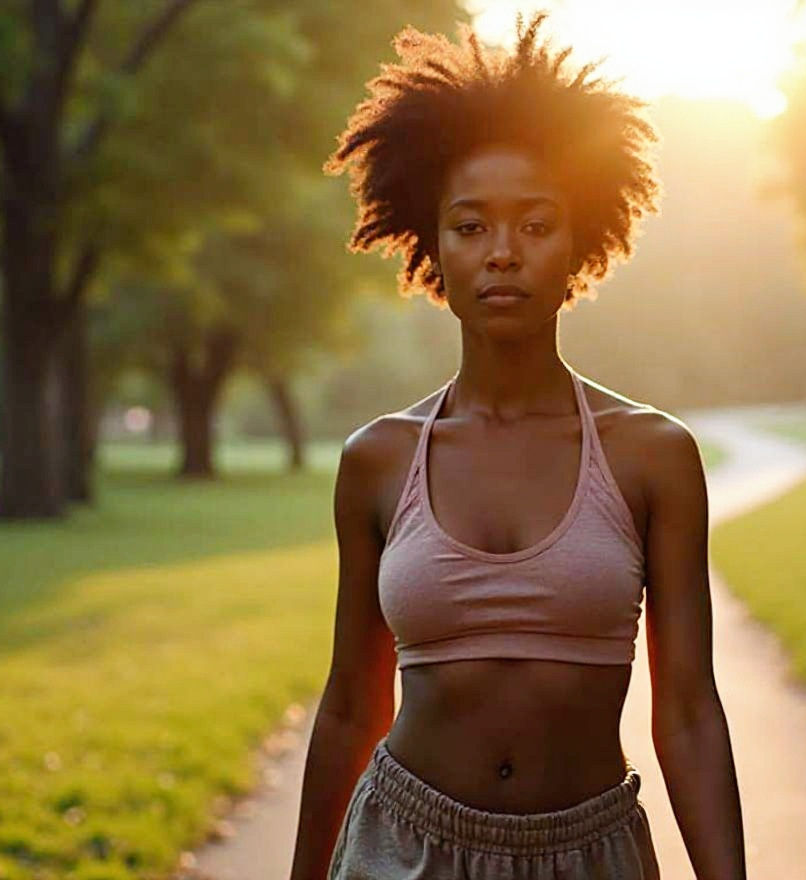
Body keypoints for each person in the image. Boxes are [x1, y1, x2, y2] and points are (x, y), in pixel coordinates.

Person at [289, 13, 746, 880]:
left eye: (536, 226)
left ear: (580, 246)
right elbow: (352, 705)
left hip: (591, 853)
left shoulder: (653, 456)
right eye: (471, 227)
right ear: (432, 248)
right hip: (401, 847)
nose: (503, 254)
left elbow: (687, 711)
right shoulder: (378, 462)